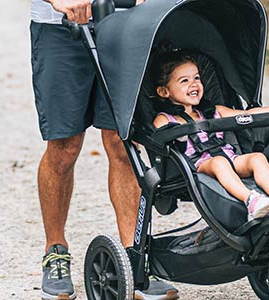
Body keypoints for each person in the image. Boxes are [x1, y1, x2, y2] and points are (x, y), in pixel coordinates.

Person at [30, 1, 179, 299]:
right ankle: (55, 251)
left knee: (123, 143)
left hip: (126, 26)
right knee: (64, 147)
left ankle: (134, 260)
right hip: (59, 26)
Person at [151, 49, 269, 220]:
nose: (194, 84)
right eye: (184, 80)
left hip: (231, 158)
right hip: (198, 166)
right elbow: (157, 138)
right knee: (219, 162)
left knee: (256, 158)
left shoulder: (214, 111)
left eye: (197, 78)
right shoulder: (164, 118)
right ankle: (251, 200)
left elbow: (246, 116)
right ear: (164, 92)